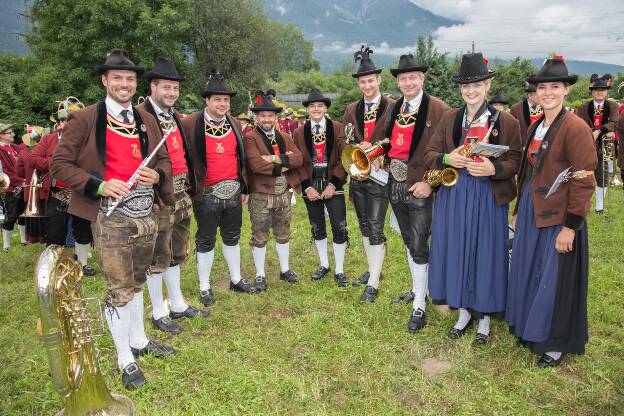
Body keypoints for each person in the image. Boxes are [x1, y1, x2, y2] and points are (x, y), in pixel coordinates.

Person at [51, 49, 176, 390]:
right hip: (111, 218)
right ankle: (125, 359)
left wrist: (158, 176)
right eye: (117, 78)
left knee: (137, 282)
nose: (124, 84)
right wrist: (100, 184)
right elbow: (59, 165)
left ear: (137, 84)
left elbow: (164, 159)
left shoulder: (145, 117)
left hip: (146, 214)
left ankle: (139, 341)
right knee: (120, 289)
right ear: (105, 81)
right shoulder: (86, 118)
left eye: (130, 79)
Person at [424, 52, 521, 345]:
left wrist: (494, 168)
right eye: (466, 86)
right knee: (456, 250)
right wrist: (447, 157)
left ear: (488, 85)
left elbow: (516, 160)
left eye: (477, 84)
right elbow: (430, 154)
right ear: (459, 89)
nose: (471, 90)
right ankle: (464, 311)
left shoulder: (506, 121)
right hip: (454, 194)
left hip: (487, 196)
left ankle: (485, 317)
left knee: (486, 253)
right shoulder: (449, 118)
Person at [506, 56, 597, 367]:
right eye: (542, 87)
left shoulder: (576, 127)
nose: (547, 92)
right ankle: (532, 329)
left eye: (554, 87)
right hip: (534, 212)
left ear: (566, 90)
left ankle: (555, 342)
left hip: (560, 217)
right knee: (531, 270)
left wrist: (571, 227)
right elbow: (528, 174)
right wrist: (520, 210)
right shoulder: (536, 125)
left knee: (554, 279)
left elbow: (584, 180)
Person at [138, 57, 208, 334]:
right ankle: (158, 311)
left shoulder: (175, 116)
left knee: (177, 250)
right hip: (157, 195)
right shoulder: (141, 116)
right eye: (166, 87)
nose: (171, 93)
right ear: (153, 86)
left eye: (175, 89)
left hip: (181, 191)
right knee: (158, 254)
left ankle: (177, 303)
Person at [384, 54, 450, 332]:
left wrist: (430, 183)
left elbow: (447, 153)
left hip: (421, 186)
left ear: (422, 79)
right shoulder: (395, 106)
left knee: (420, 243)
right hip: (395, 182)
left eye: (413, 77)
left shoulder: (438, 108)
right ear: (398, 82)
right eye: (403, 78)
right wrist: (379, 155)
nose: (408, 82)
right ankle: (418, 289)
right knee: (410, 241)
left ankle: (420, 307)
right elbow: (388, 140)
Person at [181, 69, 257, 305]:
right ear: (207, 100)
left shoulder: (234, 123)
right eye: (217, 99)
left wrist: (244, 187)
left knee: (233, 237)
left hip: (233, 191)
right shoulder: (191, 122)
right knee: (205, 240)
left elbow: (240, 158)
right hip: (206, 193)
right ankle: (204, 286)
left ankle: (235, 279)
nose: (222, 104)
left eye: (226, 99)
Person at [342, 45, 395, 302]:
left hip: (381, 174)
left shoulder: (393, 106)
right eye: (363, 81)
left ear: (379, 80)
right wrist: (355, 148)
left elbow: (399, 141)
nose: (367, 85)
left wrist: (377, 151)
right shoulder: (352, 108)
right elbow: (346, 138)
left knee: (375, 227)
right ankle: (373, 269)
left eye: (371, 80)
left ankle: (373, 282)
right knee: (364, 226)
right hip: (359, 174)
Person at [244, 90, 303, 291]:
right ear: (257, 117)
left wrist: (271, 159)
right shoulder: (250, 138)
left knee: (283, 232)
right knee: (259, 234)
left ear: (276, 117)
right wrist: (284, 161)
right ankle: (260, 274)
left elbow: (299, 158)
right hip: (260, 194)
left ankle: (285, 269)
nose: (267, 119)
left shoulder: (284, 136)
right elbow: (256, 165)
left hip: (283, 193)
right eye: (262, 115)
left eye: (270, 115)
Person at [30, 98, 97, 275]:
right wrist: (56, 162)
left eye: (71, 120)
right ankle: (55, 265)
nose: (67, 123)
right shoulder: (48, 139)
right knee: (54, 231)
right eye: (64, 120)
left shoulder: (87, 139)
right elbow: (34, 159)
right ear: (59, 122)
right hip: (57, 193)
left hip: (80, 192)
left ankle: (82, 264)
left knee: (83, 230)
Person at [293, 89, 349, 286]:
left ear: (325, 108)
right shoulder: (299, 132)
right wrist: (306, 187)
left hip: (333, 181)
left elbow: (346, 158)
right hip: (311, 183)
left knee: (339, 225)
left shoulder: (337, 128)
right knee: (317, 225)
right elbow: (297, 162)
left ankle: (340, 270)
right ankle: (324, 264)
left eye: (320, 106)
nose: (316, 109)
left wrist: (334, 183)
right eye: (312, 106)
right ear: (308, 109)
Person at [575, 74, 619, 213]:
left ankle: (599, 207)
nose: (600, 92)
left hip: (605, 145)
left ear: (606, 92)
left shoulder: (612, 105)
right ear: (592, 92)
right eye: (596, 90)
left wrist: (599, 131)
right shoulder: (582, 107)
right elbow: (576, 124)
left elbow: (614, 122)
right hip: (586, 146)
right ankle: (581, 204)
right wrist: (590, 133)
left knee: (603, 175)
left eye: (603, 90)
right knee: (582, 174)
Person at [0, 123, 27, 251]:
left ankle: (24, 240)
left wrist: (31, 133)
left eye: (12, 132)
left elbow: (26, 147)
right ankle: (6, 245)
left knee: (23, 213)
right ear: (1, 135)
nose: (13, 135)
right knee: (11, 216)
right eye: (9, 133)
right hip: (10, 188)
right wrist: (22, 180)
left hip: (23, 185)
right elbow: (4, 172)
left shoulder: (15, 147)